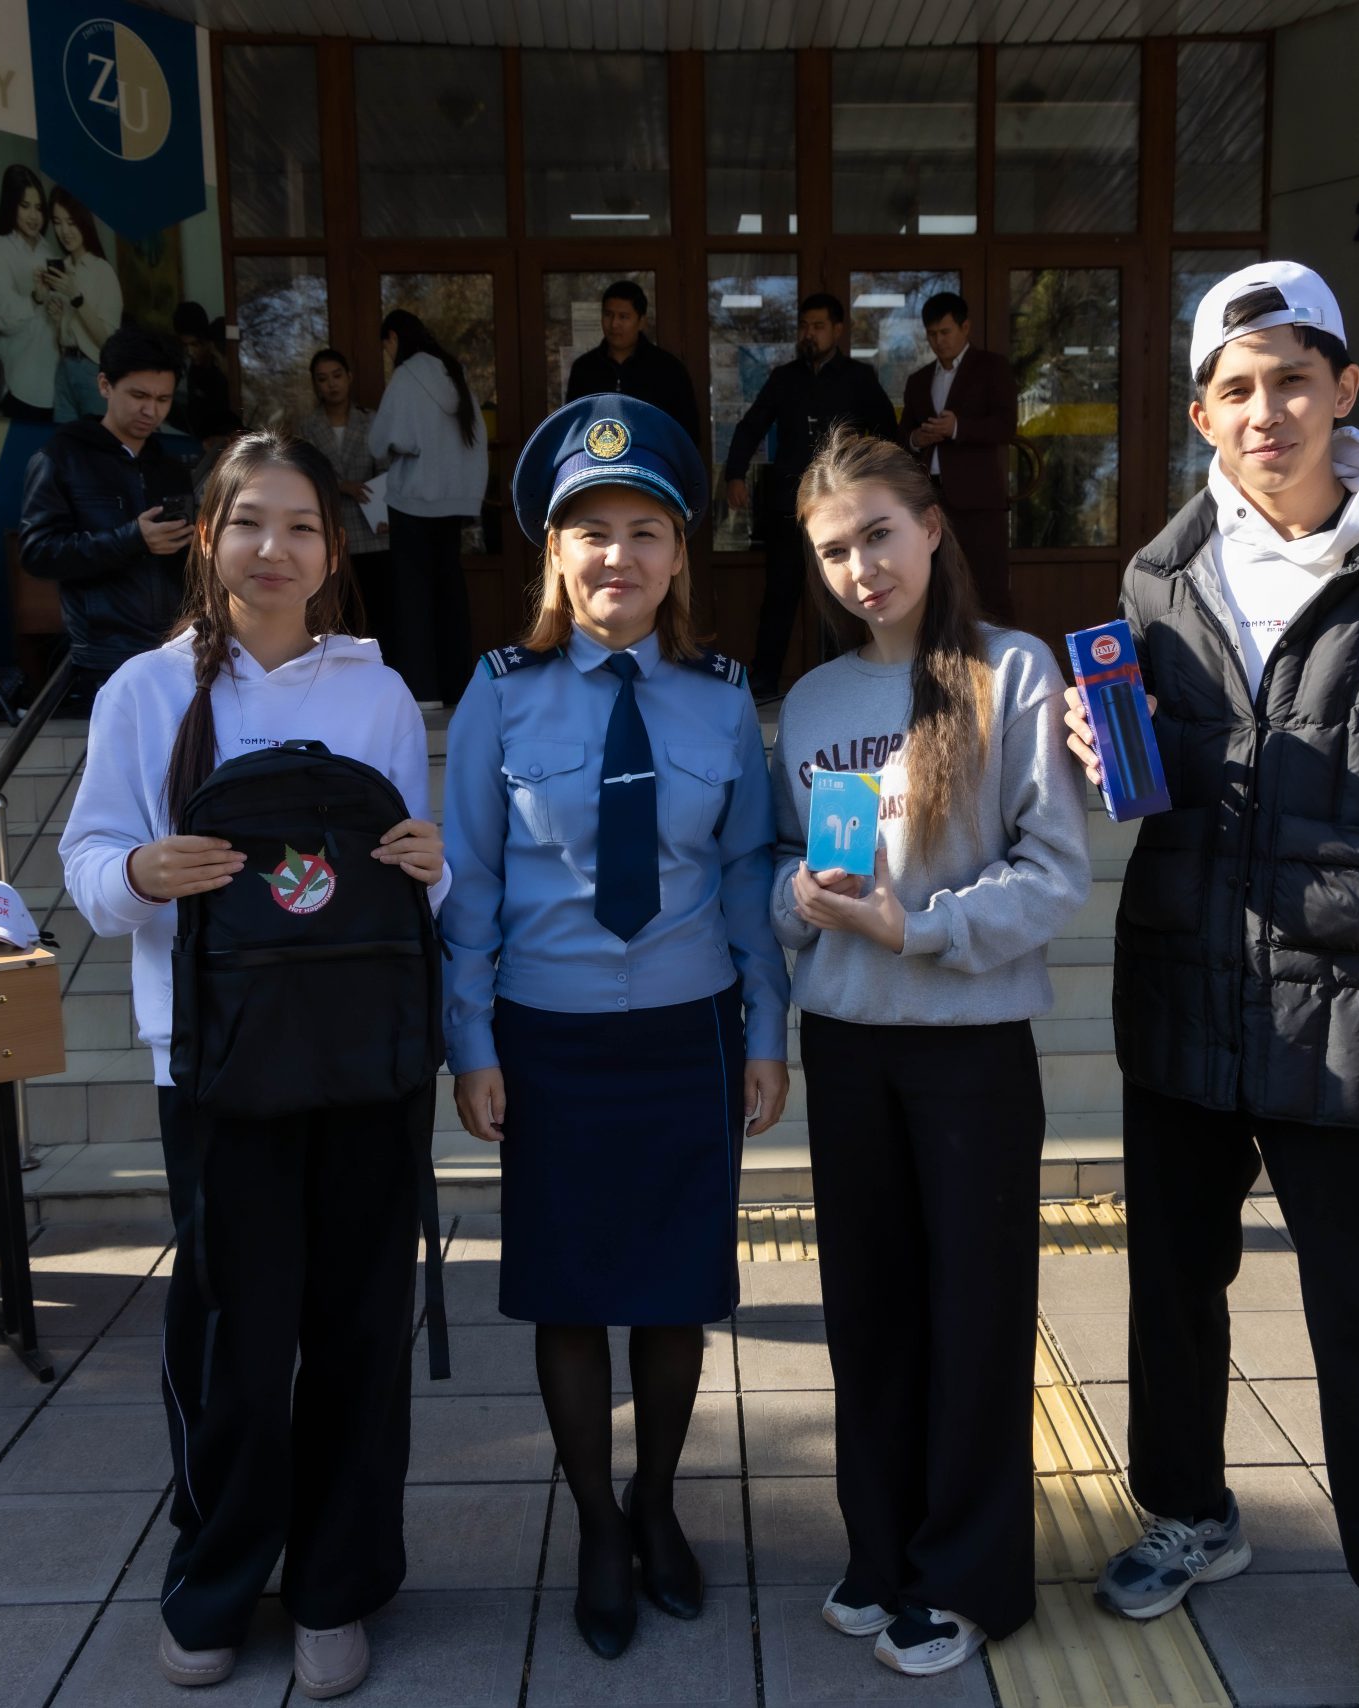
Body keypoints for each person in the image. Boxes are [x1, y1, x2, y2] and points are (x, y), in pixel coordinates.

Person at [1063, 262, 1359, 1708]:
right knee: (1171, 1288)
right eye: (1235, 389)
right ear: (1200, 415)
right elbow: (1161, 783)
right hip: (1185, 987)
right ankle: (1189, 1514)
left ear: (1343, 391)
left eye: (1290, 380)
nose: (1265, 411)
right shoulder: (1159, 574)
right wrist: (1104, 760)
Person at [58, 432, 444, 1700]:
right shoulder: (143, 691)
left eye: (302, 527)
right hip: (215, 1061)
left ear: (334, 551)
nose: (273, 549)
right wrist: (137, 871)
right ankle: (217, 1579)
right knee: (235, 1327)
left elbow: (407, 883)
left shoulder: (378, 696)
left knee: (358, 1325)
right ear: (208, 537)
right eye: (248, 523)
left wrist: (433, 866)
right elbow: (88, 866)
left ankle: (338, 1583)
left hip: (366, 1056)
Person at [440, 394, 789, 1662]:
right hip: (549, 1038)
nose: (618, 555)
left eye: (646, 530)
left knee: (674, 1295)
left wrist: (767, 1028)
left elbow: (746, 874)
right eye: (591, 530)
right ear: (553, 551)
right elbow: (471, 883)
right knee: (571, 1297)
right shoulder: (500, 694)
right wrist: (471, 1043)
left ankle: (657, 1500)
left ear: (680, 552)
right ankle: (596, 1519)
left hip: (690, 1034)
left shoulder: (721, 698)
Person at [770, 427, 1090, 1677]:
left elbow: (1053, 871)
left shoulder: (1012, 672)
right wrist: (799, 896)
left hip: (969, 1049)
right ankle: (881, 1550)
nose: (861, 567)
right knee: (869, 1312)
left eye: (878, 534)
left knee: (974, 1316)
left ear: (932, 526)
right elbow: (782, 863)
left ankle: (966, 1576)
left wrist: (920, 929)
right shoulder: (811, 700)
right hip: (847, 1044)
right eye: (832, 550)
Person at [720, 293, 897, 699]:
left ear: (838, 329)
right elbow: (751, 426)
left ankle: (843, 682)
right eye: (804, 326)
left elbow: (887, 434)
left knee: (841, 596)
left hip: (844, 510)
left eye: (818, 326)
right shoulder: (784, 377)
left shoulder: (858, 377)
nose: (809, 334)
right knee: (779, 595)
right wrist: (734, 474)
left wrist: (882, 493)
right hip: (790, 508)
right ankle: (765, 679)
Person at [19, 324, 196, 708]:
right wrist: (132, 539)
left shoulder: (170, 469)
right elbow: (37, 552)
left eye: (163, 399)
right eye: (138, 395)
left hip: (176, 648)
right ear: (105, 385)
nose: (151, 410)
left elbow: (187, 564)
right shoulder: (61, 457)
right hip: (103, 653)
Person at [367, 310, 488, 704]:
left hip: (414, 501)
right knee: (451, 595)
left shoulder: (407, 375)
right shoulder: (452, 372)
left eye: (386, 345)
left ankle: (422, 690)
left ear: (394, 337)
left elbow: (384, 440)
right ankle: (457, 687)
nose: (388, 353)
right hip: (453, 503)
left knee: (412, 599)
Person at [900, 293, 1017, 625]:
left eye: (945, 332)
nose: (939, 341)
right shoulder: (919, 379)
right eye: (932, 334)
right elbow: (903, 435)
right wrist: (917, 438)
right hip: (929, 497)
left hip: (979, 499)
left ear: (965, 328)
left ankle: (1001, 652)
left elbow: (1006, 426)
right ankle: (941, 650)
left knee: (988, 585)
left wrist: (957, 427)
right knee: (934, 584)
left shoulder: (992, 367)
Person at [296, 349, 389, 642]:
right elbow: (304, 474)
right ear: (315, 384)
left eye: (337, 376)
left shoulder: (371, 420)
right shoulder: (307, 426)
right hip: (329, 525)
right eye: (322, 379)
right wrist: (342, 486)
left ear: (349, 377)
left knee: (377, 610)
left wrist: (385, 513)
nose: (331, 384)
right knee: (337, 613)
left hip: (371, 525)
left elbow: (386, 471)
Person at [561, 281, 700, 442]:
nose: (614, 324)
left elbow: (687, 434)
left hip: (651, 456)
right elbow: (572, 427)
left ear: (641, 321)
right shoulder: (584, 368)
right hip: (596, 455)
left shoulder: (668, 369)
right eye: (608, 314)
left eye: (624, 316)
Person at [0, 164, 58, 419]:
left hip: (56, 383)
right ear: (11, 205)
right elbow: (1, 318)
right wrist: (35, 298)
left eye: (39, 208)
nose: (34, 216)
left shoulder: (48, 250)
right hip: (21, 383)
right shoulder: (0, 248)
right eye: (25, 206)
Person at [44, 188, 123, 425]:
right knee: (65, 441)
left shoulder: (102, 271)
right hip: (64, 367)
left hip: (92, 370)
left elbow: (108, 341)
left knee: (95, 442)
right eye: (57, 222)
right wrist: (58, 320)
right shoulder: (63, 267)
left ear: (83, 221)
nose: (64, 231)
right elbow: (65, 335)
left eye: (71, 222)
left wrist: (76, 297)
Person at [171, 302, 242, 446]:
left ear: (207, 342)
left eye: (195, 344)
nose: (190, 352)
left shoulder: (223, 368)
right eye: (185, 346)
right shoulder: (193, 369)